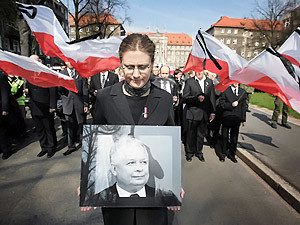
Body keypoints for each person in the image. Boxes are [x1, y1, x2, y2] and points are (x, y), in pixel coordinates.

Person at [92, 33, 182, 225]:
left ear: (152, 64)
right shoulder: (105, 97)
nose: (135, 74)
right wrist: (89, 179)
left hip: (153, 197)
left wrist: (175, 181)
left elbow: (170, 144)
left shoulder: (165, 99)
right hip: (117, 202)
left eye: (142, 67)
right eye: (129, 67)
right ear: (120, 64)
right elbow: (95, 141)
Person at [87, 136, 180, 207]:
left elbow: (160, 174)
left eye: (143, 162)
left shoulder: (165, 196)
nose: (140, 168)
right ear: (114, 169)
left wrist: (178, 184)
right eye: (131, 163)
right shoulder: (98, 198)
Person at [25, 55, 57, 158]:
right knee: (40, 129)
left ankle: (52, 148)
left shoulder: (47, 72)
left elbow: (53, 90)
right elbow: (31, 89)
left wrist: (52, 105)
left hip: (46, 106)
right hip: (35, 106)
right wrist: (27, 92)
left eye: (34, 61)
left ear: (40, 61)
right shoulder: (29, 74)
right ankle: (44, 147)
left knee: (49, 128)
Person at [182, 71, 216, 162]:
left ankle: (199, 152)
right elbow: (185, 98)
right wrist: (196, 99)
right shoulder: (190, 81)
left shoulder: (209, 82)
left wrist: (213, 112)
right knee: (191, 134)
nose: (198, 72)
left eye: (200, 70)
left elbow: (212, 97)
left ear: (204, 71)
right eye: (196, 71)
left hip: (204, 114)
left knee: (201, 135)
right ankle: (189, 153)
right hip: (192, 112)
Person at [59, 62, 89, 155]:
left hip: (79, 103)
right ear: (65, 62)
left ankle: (83, 143)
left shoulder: (81, 73)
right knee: (70, 127)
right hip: (68, 104)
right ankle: (71, 146)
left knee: (82, 124)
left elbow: (85, 90)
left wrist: (86, 104)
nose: (70, 63)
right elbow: (59, 91)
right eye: (68, 61)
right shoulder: (61, 74)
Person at [218, 83, 247, 163]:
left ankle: (232, 154)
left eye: (237, 81)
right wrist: (231, 105)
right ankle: (223, 153)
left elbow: (243, 106)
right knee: (224, 136)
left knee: (234, 137)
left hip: (237, 118)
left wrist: (243, 119)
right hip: (227, 117)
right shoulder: (225, 90)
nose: (235, 83)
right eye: (234, 81)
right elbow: (222, 104)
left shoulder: (242, 92)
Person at [0, 70, 13, 159]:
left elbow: (4, 93)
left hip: (0, 108)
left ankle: (6, 150)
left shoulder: (1, 76)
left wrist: (5, 108)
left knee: (2, 131)